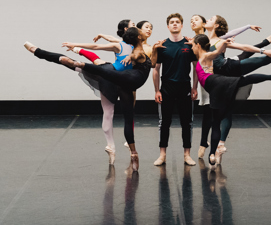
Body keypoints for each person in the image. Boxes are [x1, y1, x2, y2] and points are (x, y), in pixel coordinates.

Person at [25, 27, 158, 171]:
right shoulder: (134, 49)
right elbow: (132, 53)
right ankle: (133, 153)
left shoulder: (132, 46)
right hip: (124, 80)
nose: (145, 31)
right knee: (127, 116)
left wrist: (154, 50)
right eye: (141, 30)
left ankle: (41, 52)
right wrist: (130, 57)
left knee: (96, 68)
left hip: (119, 76)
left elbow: (149, 62)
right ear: (138, 37)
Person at [202, 15, 271, 163]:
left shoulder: (220, 40)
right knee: (225, 111)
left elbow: (243, 47)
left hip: (229, 68)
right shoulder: (205, 40)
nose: (208, 19)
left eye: (211, 19)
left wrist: (263, 50)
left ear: (217, 26)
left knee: (262, 59)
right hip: (219, 80)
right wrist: (248, 26)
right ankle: (220, 147)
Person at [192, 34, 271, 166]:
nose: (192, 47)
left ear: (198, 45)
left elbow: (216, 52)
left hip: (214, 83)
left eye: (193, 45)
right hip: (215, 91)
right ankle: (212, 154)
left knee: (217, 120)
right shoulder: (200, 55)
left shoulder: (205, 55)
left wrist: (223, 43)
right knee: (216, 121)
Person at [58, 19, 135, 165]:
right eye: (133, 25)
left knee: (122, 112)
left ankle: (123, 146)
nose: (135, 27)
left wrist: (100, 34)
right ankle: (111, 146)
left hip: (125, 80)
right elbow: (96, 46)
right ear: (126, 30)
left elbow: (108, 39)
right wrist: (76, 44)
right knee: (109, 111)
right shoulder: (121, 44)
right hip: (114, 78)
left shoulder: (135, 45)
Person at [153, 13, 198, 166]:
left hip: (184, 87)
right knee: (164, 122)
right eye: (171, 22)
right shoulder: (162, 45)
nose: (174, 24)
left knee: (187, 122)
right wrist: (157, 90)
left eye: (177, 22)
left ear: (181, 25)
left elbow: (196, 67)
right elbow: (156, 69)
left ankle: (187, 155)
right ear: (168, 26)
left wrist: (194, 87)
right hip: (166, 89)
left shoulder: (189, 44)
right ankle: (162, 155)